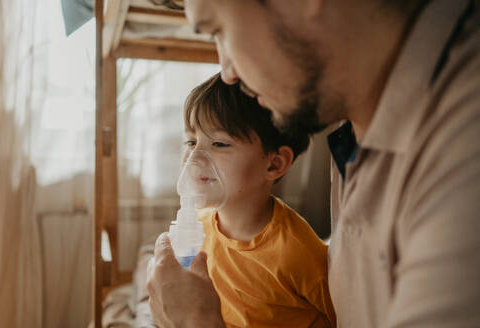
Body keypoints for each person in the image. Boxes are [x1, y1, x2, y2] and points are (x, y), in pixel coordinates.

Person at [147, 0, 480, 327]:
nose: (229, 73)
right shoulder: (352, 140)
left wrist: (196, 322)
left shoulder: (462, 140)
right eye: (191, 141)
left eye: (219, 29)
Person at [155, 72, 336, 327]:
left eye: (219, 143)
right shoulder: (200, 227)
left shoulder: (298, 254)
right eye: (191, 141)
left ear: (274, 164)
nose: (195, 158)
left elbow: (346, 317)